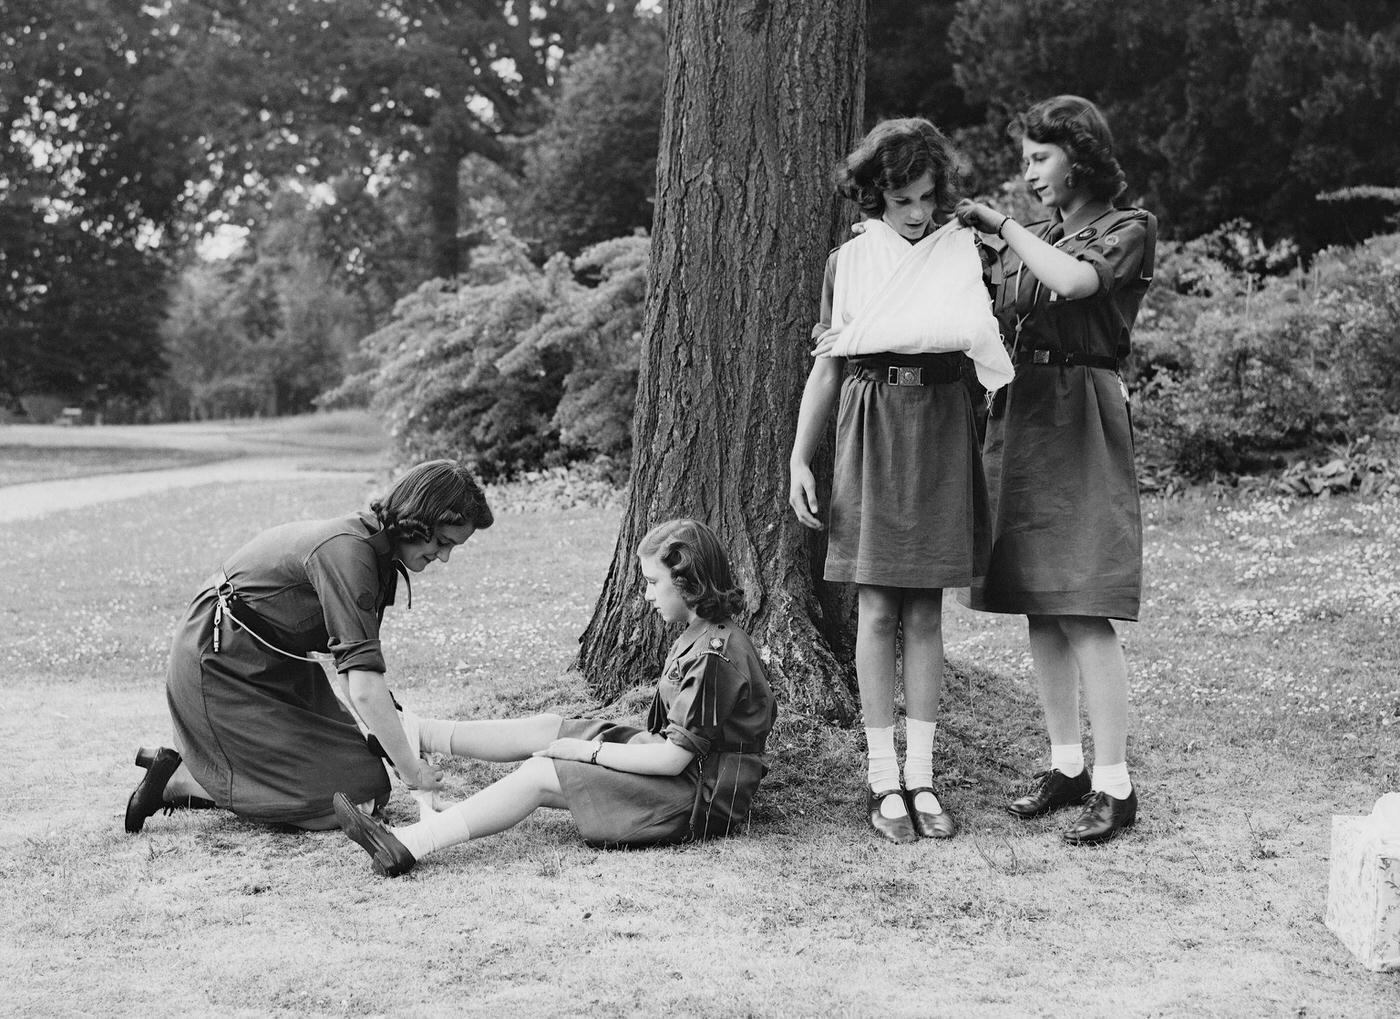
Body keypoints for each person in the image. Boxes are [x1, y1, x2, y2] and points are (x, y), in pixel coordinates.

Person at [789, 119, 1013, 845]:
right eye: (900, 200)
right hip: (873, 422)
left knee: (925, 611)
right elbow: (830, 363)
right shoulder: (850, 262)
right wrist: (799, 457)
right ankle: (883, 779)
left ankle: (922, 775)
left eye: (924, 197)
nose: (916, 213)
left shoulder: (958, 252)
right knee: (878, 606)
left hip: (942, 420)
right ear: (874, 196)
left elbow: (980, 334)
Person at [334, 518, 777, 877]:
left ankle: (410, 843)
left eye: (652, 582)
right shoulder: (702, 634)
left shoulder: (715, 655)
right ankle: (422, 733)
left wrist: (586, 752)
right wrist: (583, 747)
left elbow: (671, 760)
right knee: (551, 729)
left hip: (698, 799)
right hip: (685, 772)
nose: (646, 595)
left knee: (544, 772)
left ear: (687, 581)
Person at [954, 95, 1157, 846]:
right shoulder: (1035, 235)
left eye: (1040, 157)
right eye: (1026, 160)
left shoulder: (1129, 226)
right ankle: (1067, 765)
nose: (1030, 172)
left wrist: (1001, 227)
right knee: (1039, 601)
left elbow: (1073, 285)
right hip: (1024, 407)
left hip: (1080, 409)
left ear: (1081, 156)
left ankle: (1115, 783)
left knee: (1081, 601)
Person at [124, 459, 494, 833]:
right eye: (442, 542)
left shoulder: (377, 552)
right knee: (347, 804)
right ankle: (181, 779)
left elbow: (353, 673)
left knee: (369, 785)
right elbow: (364, 689)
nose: (444, 556)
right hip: (220, 663)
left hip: (275, 665)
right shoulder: (351, 553)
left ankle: (220, 778)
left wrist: (400, 746)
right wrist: (414, 773)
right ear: (419, 519)